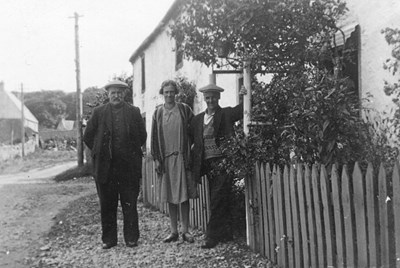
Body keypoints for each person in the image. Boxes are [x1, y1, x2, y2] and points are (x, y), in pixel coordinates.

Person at [83, 80, 147, 249]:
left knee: (129, 205)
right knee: (107, 205)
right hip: (106, 169)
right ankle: (109, 240)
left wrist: (130, 153)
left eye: (119, 92)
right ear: (108, 94)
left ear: (124, 94)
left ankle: (131, 238)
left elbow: (142, 136)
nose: (116, 95)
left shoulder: (133, 112)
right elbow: (88, 136)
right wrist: (100, 153)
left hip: (128, 169)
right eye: (113, 92)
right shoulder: (98, 112)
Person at [190, 82, 245, 249]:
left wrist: (245, 94)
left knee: (216, 198)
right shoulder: (198, 119)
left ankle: (211, 236)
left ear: (218, 97)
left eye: (213, 96)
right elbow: (191, 137)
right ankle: (226, 233)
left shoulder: (226, 114)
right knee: (220, 197)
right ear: (204, 99)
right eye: (208, 97)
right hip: (206, 163)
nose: (211, 100)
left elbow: (241, 110)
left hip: (222, 162)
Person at [151, 80, 197, 243]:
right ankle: (173, 231)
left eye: (171, 91)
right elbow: (154, 139)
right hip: (166, 160)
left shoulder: (184, 110)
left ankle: (185, 231)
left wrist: (191, 150)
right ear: (162, 93)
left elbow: (195, 129)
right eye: (166, 92)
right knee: (170, 196)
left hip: (182, 159)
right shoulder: (157, 113)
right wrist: (156, 158)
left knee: (184, 196)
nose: (169, 94)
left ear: (175, 92)